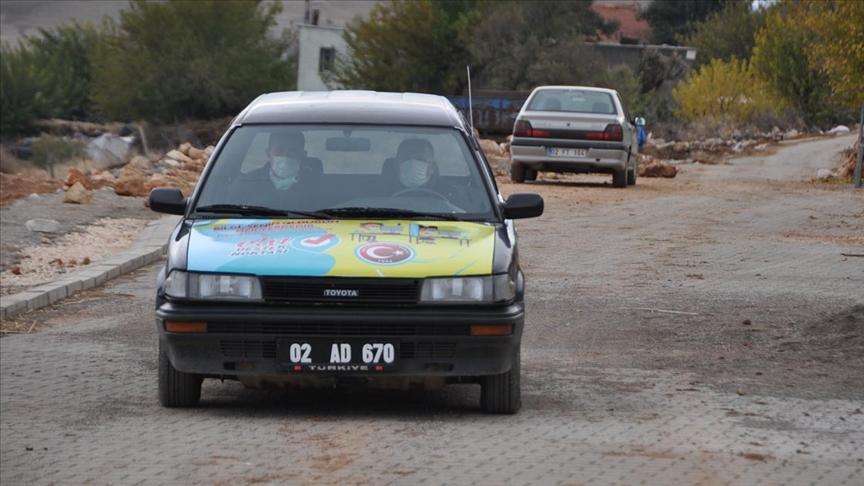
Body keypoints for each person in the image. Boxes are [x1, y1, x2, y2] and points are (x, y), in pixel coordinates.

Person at [233, 130, 319, 207]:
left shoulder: (318, 186)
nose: (286, 155)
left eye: (293, 150)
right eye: (280, 150)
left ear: (303, 155)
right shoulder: (245, 183)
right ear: (268, 153)